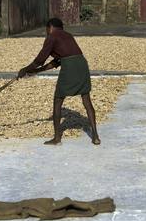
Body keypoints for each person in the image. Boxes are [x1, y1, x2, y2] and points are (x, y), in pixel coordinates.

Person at [17, 18, 100, 146]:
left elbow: (40, 60)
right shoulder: (68, 35)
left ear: (49, 27)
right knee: (86, 100)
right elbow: (56, 62)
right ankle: (95, 136)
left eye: (46, 29)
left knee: (57, 100)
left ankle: (57, 139)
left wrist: (24, 69)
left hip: (70, 66)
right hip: (82, 63)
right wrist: (36, 72)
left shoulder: (52, 37)